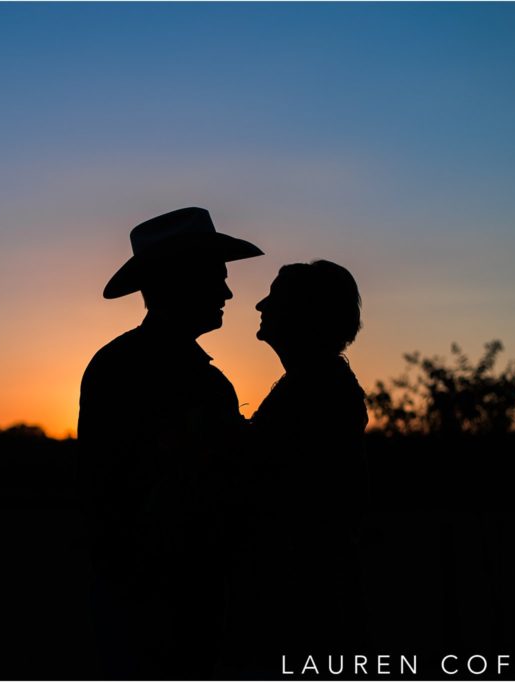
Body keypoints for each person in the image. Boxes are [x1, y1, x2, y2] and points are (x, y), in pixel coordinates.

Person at [78, 207, 262, 679]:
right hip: (154, 600)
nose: (227, 291)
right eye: (214, 277)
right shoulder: (161, 376)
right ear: (176, 281)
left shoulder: (121, 366)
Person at [222, 260, 369, 677]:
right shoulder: (316, 384)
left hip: (305, 604)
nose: (259, 305)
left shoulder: (317, 391)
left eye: (275, 298)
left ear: (306, 314)